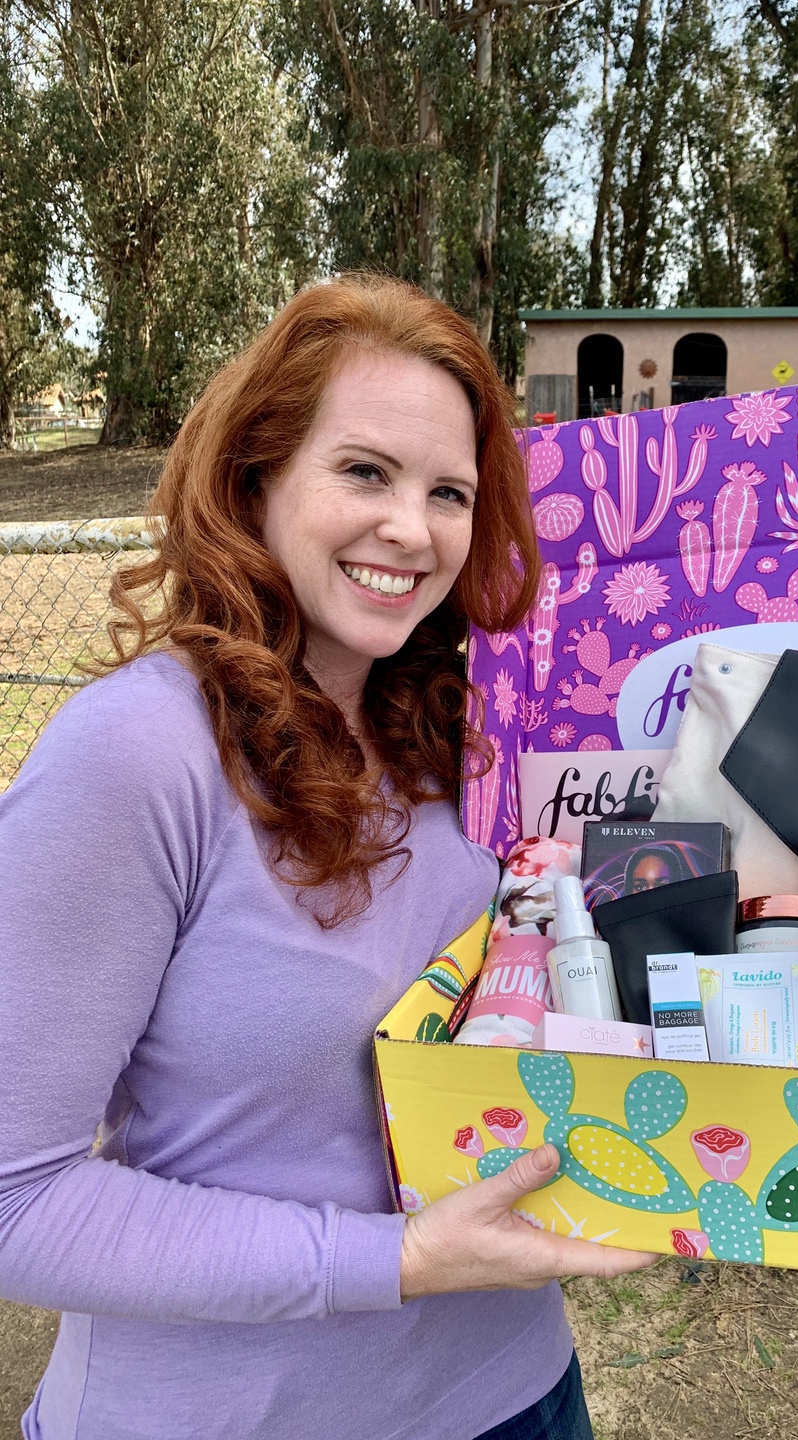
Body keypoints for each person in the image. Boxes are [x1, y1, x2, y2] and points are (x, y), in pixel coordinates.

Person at [0, 275, 654, 1440]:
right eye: (364, 471)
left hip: (514, 1392)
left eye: (450, 490)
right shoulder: (139, 755)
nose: (413, 527)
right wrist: (394, 1259)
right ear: (256, 478)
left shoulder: (474, 729)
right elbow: (19, 1202)